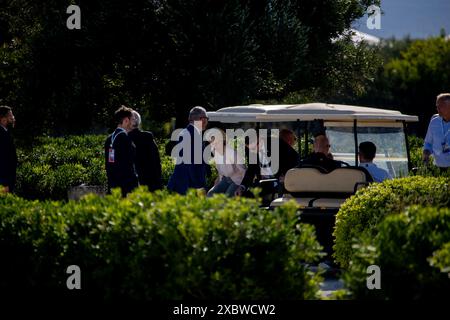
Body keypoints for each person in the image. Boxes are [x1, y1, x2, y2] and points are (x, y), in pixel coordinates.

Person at [167, 106, 209, 195]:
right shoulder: (193, 135)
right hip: (188, 187)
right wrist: (200, 187)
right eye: (206, 118)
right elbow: (193, 164)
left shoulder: (186, 132)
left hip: (180, 184)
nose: (207, 122)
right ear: (201, 119)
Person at [104, 106, 139, 197]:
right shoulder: (125, 139)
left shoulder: (109, 139)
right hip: (126, 188)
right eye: (132, 119)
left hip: (113, 187)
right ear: (126, 120)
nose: (134, 122)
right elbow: (129, 166)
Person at [128, 111, 162, 192]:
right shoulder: (147, 137)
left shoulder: (124, 138)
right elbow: (156, 162)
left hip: (132, 184)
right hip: (150, 183)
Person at [207, 129, 246, 197]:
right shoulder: (215, 153)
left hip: (237, 180)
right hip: (226, 180)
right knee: (211, 194)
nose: (214, 145)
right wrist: (218, 181)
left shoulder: (231, 152)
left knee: (227, 196)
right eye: (212, 143)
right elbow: (220, 172)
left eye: (216, 142)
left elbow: (243, 171)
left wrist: (242, 186)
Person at [423, 93, 450, 171]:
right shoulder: (434, 121)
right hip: (437, 167)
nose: (438, 108)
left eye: (441, 106)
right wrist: (426, 152)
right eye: (437, 106)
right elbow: (428, 142)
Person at [0, 105, 17, 193]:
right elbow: (2, 159)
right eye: (10, 116)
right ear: (3, 119)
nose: (13, 118)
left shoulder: (6, 132)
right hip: (3, 181)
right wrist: (5, 183)